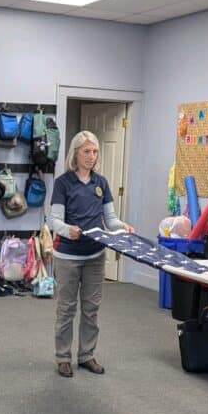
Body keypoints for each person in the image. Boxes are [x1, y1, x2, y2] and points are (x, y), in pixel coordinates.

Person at [47, 131, 133, 378]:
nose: (91, 156)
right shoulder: (63, 183)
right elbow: (54, 221)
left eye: (95, 152)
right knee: (66, 309)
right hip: (68, 257)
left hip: (95, 256)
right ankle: (63, 357)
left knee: (91, 309)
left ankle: (86, 355)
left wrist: (122, 226)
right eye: (86, 151)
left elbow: (110, 219)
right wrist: (68, 230)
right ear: (75, 153)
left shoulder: (101, 183)